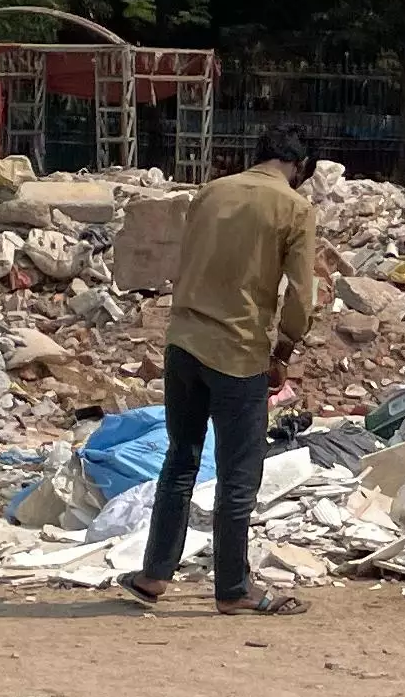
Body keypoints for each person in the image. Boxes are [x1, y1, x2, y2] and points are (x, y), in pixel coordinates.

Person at [121, 122, 322, 613]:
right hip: (239, 352)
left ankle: (153, 575)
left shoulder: (209, 193)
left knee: (181, 460)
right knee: (239, 474)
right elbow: (301, 294)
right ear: (300, 168)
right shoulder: (294, 208)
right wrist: (285, 351)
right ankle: (233, 588)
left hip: (184, 343)